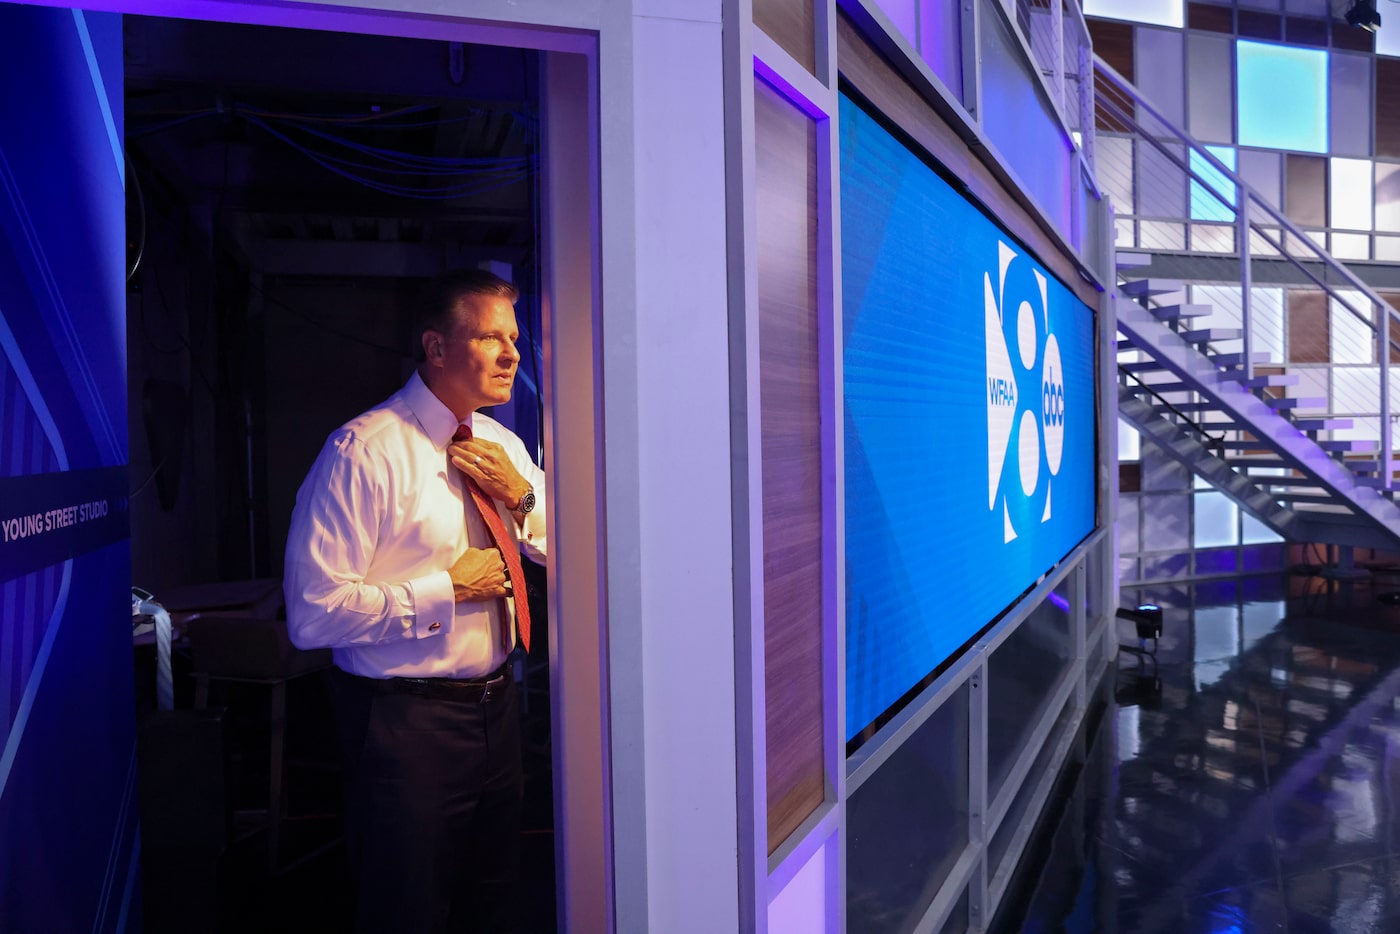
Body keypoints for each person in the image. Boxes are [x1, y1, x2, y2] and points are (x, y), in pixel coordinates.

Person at [284, 268, 545, 933]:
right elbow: (312, 614)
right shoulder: (363, 452)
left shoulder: (503, 446)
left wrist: (525, 499)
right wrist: (446, 590)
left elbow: (584, 560)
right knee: (406, 907)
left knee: (494, 901)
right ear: (436, 347)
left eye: (513, 338)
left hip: (499, 711)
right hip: (405, 726)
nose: (513, 354)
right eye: (491, 337)